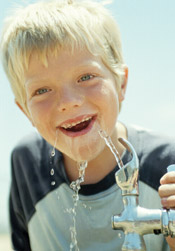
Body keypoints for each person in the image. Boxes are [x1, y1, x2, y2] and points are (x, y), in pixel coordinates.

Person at [1, 0, 175, 250]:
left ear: (121, 84)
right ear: (25, 110)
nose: (68, 102)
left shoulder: (166, 165)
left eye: (86, 77)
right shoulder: (27, 164)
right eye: (42, 90)